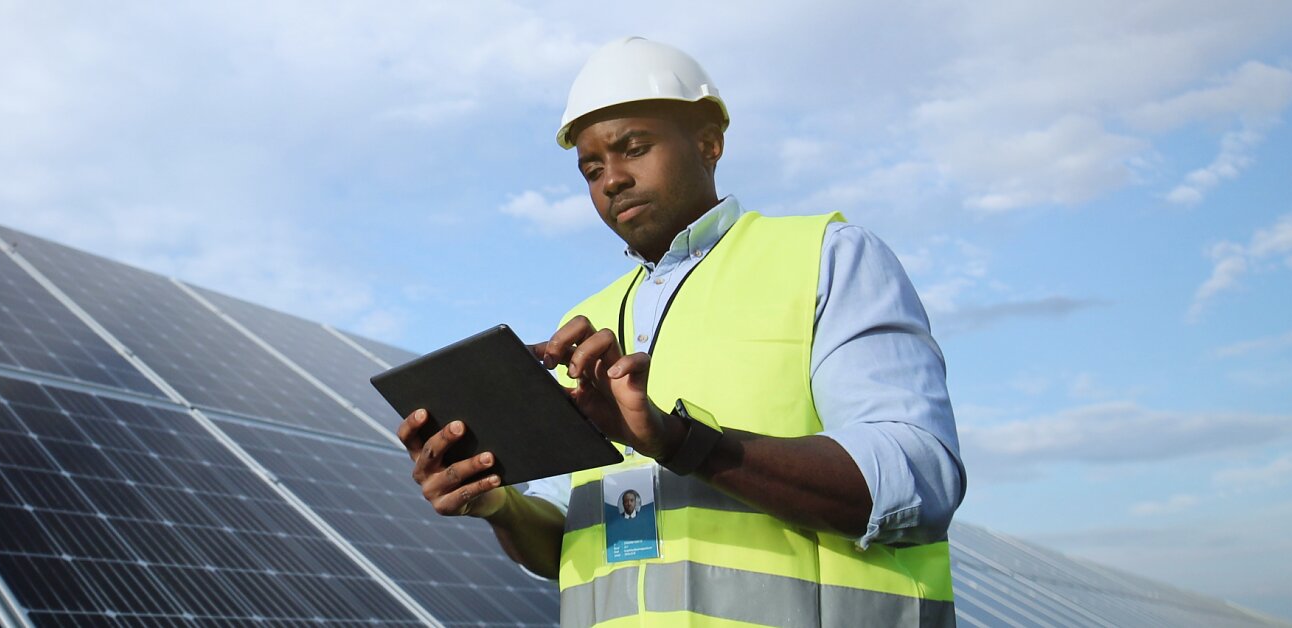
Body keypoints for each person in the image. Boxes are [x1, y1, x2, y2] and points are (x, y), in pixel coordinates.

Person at [396, 37, 964, 627]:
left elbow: (917, 479)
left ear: (709, 143)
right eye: (592, 169)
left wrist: (682, 442)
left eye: (634, 148)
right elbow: (573, 539)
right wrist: (498, 504)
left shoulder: (825, 258)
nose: (612, 180)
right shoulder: (589, 320)